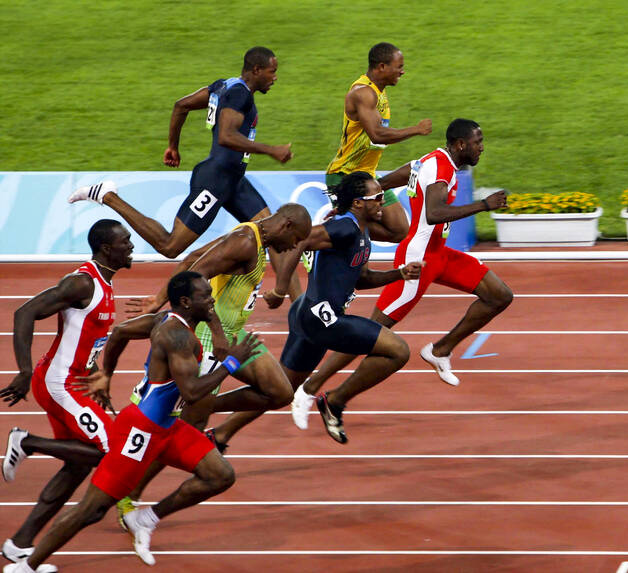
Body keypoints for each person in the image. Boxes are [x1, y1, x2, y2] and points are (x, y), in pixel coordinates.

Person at [7, 272, 260, 572]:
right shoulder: (177, 337)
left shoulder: (166, 320)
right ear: (185, 302)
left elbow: (120, 333)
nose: (212, 301)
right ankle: (26, 566)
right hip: (141, 431)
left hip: (167, 426)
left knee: (220, 475)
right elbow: (192, 393)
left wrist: (107, 374)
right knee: (92, 509)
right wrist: (231, 363)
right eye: (206, 296)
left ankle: (145, 519)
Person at [287, 119, 511, 430]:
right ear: (461, 144)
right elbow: (434, 213)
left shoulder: (432, 160)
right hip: (419, 260)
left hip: (440, 254)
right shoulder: (441, 168)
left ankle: (440, 350)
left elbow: (396, 177)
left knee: (499, 295)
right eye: (477, 142)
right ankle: (310, 390)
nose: (481, 148)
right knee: (370, 332)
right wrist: (483, 205)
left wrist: (362, 196)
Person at [107, 203, 310, 523]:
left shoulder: (252, 236)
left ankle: (206, 405)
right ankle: (129, 496)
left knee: (280, 392)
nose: (293, 247)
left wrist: (159, 298)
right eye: (296, 239)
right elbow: (196, 278)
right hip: (209, 336)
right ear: (286, 226)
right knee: (185, 429)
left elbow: (193, 257)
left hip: (234, 332)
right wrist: (215, 331)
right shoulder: (245, 242)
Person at [67, 46, 301, 298]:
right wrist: (271, 150)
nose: (275, 77)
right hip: (216, 181)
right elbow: (226, 136)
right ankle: (107, 196)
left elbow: (182, 105)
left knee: (276, 233)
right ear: (256, 70)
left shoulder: (223, 86)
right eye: (272, 71)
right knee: (170, 246)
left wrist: (173, 146)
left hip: (233, 180)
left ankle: (300, 307)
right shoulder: (239, 94)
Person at [0, 220, 132, 569]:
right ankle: (27, 442)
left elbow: (86, 339)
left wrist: (96, 375)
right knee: (110, 451)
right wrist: (24, 370)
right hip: (59, 384)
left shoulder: (105, 283)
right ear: (106, 249)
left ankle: (19, 545)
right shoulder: (82, 282)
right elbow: (24, 312)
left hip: (73, 382)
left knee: (77, 466)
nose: (132, 246)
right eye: (125, 241)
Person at [270, 172, 423, 443]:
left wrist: (399, 274)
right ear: (358, 203)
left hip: (313, 315)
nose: (383, 202)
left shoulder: (361, 231)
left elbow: (362, 279)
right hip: (322, 319)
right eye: (377, 197)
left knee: (277, 392)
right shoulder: (345, 228)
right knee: (398, 351)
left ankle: (219, 432)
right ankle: (336, 401)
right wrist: (281, 289)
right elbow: (301, 240)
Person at [325, 41, 432, 243]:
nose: (402, 71)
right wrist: (416, 129)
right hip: (345, 174)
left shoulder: (378, 92)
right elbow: (377, 134)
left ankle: (342, 223)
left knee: (400, 230)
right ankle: (330, 229)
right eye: (399, 67)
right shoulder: (363, 92)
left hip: (368, 174)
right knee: (352, 231)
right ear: (382, 66)